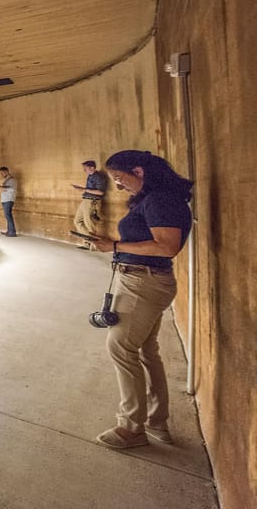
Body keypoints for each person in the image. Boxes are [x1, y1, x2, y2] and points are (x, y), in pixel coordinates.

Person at [90, 150, 193, 450]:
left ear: (139, 171)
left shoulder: (160, 200)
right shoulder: (157, 198)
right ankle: (156, 422)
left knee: (120, 345)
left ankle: (131, 428)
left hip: (144, 282)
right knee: (147, 350)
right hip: (143, 278)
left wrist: (115, 244)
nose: (119, 185)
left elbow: (167, 246)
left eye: (120, 179)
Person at [72, 159, 107, 246]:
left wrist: (84, 189)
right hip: (85, 200)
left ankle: (91, 244)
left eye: (86, 168)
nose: (84, 170)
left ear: (92, 167)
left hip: (92, 201)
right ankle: (89, 241)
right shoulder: (90, 176)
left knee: (89, 224)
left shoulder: (99, 177)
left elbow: (101, 192)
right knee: (77, 221)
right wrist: (81, 189)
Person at [0, 166, 17, 236]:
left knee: (7, 215)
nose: (1, 175)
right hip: (5, 200)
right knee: (7, 215)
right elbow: (7, 188)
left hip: (9, 199)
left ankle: (12, 232)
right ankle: (9, 231)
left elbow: (12, 189)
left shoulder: (12, 180)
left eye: (2, 173)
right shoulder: (7, 180)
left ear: (6, 172)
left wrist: (2, 188)